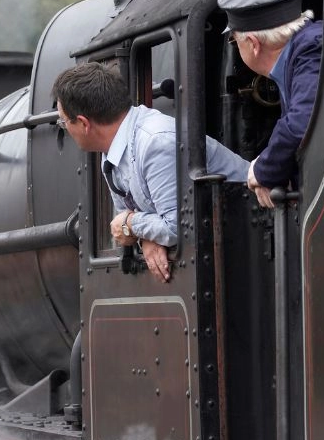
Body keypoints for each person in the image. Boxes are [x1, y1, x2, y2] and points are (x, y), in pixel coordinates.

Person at [52, 62, 250, 283]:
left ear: (83, 123)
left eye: (63, 122)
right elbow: (126, 220)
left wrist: (133, 225)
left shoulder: (155, 143)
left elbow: (177, 227)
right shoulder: (111, 154)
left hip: (247, 240)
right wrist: (144, 236)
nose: (65, 129)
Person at [218, 0, 322, 208]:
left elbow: (302, 121)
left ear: (253, 44)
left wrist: (263, 169)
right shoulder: (299, 54)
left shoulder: (311, 49)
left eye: (234, 40)